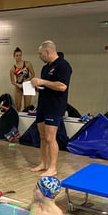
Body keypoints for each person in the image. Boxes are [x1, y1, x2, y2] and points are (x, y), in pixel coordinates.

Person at [30, 40, 72, 177]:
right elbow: (47, 85)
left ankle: (53, 167)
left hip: (55, 106)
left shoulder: (63, 65)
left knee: (50, 138)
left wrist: (42, 81)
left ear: (48, 52)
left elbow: (62, 86)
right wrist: (37, 87)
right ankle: (43, 163)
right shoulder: (45, 68)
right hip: (43, 105)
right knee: (42, 137)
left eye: (40, 54)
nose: (39, 56)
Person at [9, 47, 35, 112]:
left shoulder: (27, 64)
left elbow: (33, 74)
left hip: (27, 85)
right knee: (17, 107)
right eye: (17, 55)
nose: (19, 57)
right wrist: (18, 85)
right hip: (19, 87)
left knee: (27, 107)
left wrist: (26, 80)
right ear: (14, 56)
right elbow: (12, 81)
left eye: (20, 55)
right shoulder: (13, 68)